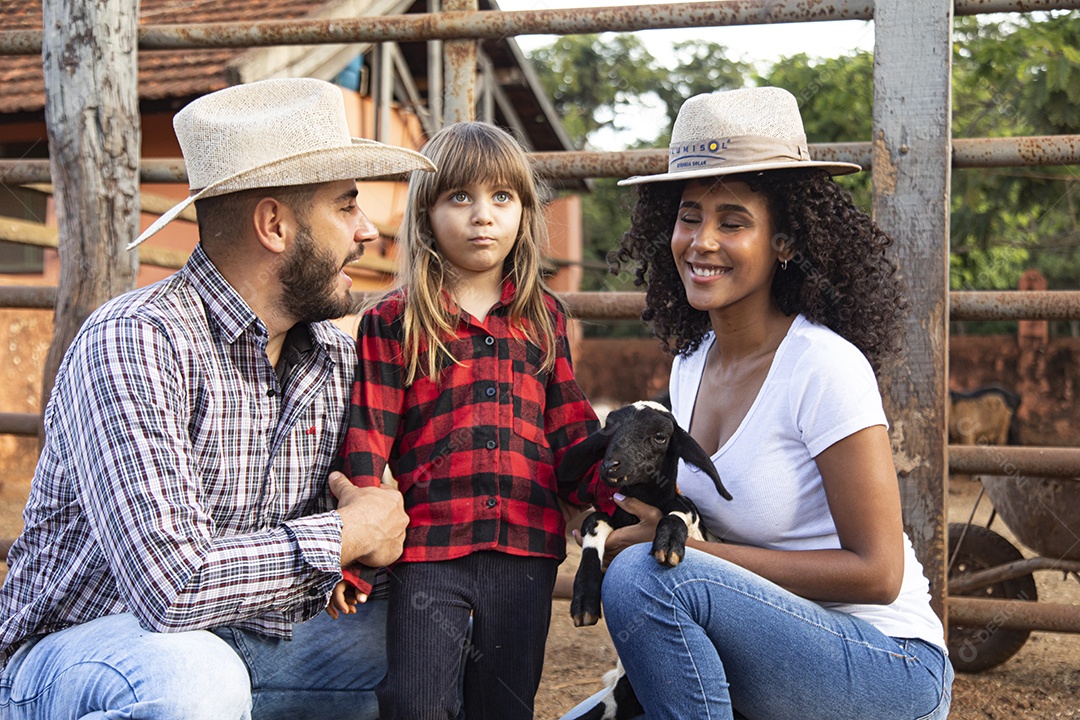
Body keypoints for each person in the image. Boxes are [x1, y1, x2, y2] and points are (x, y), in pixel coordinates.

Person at [0, 78, 434, 720]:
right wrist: (347, 532)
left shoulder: (336, 357)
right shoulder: (137, 339)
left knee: (440, 639)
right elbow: (170, 590)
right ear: (275, 225)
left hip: (257, 641)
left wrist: (384, 524)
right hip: (91, 652)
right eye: (346, 207)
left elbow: (374, 520)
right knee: (194, 682)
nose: (368, 230)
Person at [563, 87, 954, 720]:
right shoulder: (691, 365)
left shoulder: (823, 367)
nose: (702, 241)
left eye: (733, 221)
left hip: (888, 665)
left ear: (785, 242)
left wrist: (668, 547)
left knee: (642, 578)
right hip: (767, 653)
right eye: (690, 216)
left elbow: (878, 573)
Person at [331, 121, 611, 720]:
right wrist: (352, 552)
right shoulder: (394, 320)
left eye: (501, 198)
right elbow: (368, 440)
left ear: (525, 211)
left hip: (524, 548)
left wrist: (613, 494)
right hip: (429, 549)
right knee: (415, 700)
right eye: (460, 197)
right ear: (426, 213)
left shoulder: (545, 318)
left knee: (503, 705)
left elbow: (569, 428)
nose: (483, 216)